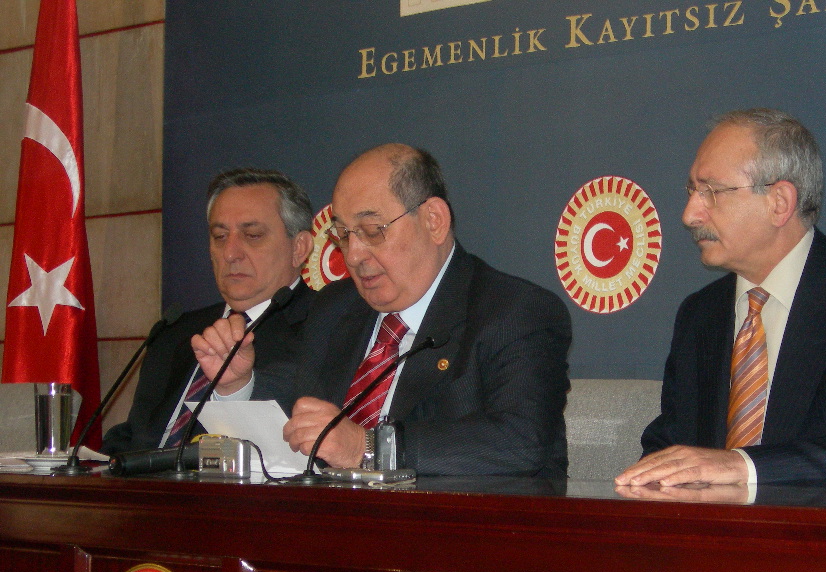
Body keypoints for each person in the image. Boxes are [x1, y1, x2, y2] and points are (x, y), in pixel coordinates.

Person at [616, 108, 826, 491]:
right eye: (692, 191)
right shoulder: (700, 313)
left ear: (779, 202)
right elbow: (671, 442)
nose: (690, 215)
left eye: (711, 192)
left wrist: (744, 467)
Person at [204, 144, 572, 477]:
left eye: (372, 230)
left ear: (434, 220)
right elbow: (295, 418)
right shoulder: (335, 307)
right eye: (343, 234)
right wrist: (237, 385)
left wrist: (367, 448)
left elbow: (522, 440)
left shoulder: (513, 311)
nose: (353, 255)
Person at [102, 167, 314, 454]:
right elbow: (135, 437)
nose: (230, 253)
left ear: (299, 247)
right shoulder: (175, 332)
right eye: (219, 236)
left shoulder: (326, 326)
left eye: (252, 235)